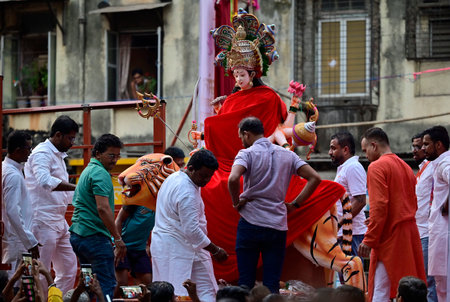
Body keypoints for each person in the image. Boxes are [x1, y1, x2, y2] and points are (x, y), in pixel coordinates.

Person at [228, 117, 321, 292]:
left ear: (246, 134)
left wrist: (236, 202)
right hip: (276, 225)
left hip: (250, 221)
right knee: (272, 284)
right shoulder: (288, 154)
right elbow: (315, 178)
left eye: (241, 137)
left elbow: (233, 178)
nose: (242, 141)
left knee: (245, 283)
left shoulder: (246, 154)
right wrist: (295, 205)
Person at [151, 149, 229, 302]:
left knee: (176, 291)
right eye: (203, 175)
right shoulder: (187, 191)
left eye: (210, 176)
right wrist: (216, 250)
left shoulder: (175, 177)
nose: (207, 180)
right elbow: (192, 230)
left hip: (172, 246)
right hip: (181, 248)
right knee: (178, 292)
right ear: (191, 168)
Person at [358, 127, 426, 302]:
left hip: (389, 237)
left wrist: (370, 238)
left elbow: (379, 206)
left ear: (374, 145)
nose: (366, 155)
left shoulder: (376, 166)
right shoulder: (405, 166)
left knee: (380, 291)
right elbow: (407, 203)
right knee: (406, 290)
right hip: (408, 235)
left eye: (365, 150)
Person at [24, 115, 78, 293]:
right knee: (41, 271)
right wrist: (77, 188)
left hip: (59, 221)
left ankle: (56, 299)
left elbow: (63, 192)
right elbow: (45, 181)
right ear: (58, 135)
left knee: (69, 269)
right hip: (42, 220)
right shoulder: (42, 153)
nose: (72, 142)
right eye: (70, 138)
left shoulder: (58, 155)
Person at [69, 134, 126, 299]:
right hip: (94, 238)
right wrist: (117, 238)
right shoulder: (101, 174)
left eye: (117, 156)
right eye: (111, 155)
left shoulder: (89, 170)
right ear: (98, 154)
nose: (115, 160)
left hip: (79, 237)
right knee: (106, 284)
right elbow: (103, 208)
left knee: (88, 285)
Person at [1, 131, 39, 279]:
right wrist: (30, 241)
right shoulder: (13, 175)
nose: (30, 152)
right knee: (13, 282)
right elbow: (12, 211)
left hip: (14, 237)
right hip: (16, 240)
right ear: (18, 150)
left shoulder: (7, 169)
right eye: (29, 148)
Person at [421, 125, 450, 302]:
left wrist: (447, 202)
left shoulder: (445, 163)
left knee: (443, 286)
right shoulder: (439, 163)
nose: (423, 148)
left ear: (438, 145)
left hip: (444, 233)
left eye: (426, 144)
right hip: (439, 231)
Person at [328, 132, 367, 255]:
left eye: (333, 148)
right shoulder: (345, 167)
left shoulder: (353, 167)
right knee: (345, 273)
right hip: (343, 233)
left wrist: (339, 224)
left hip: (351, 234)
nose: (329, 152)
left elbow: (360, 201)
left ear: (345, 150)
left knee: (351, 272)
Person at [411, 132, 437, 302]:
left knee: (429, 281)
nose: (415, 150)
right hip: (418, 232)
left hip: (429, 232)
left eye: (420, 146)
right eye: (413, 146)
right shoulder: (421, 171)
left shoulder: (435, 167)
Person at [114, 203, 155, 290]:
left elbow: (146, 226)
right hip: (123, 247)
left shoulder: (158, 203)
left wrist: (147, 245)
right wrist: (118, 243)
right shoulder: (135, 200)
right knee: (122, 283)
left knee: (147, 282)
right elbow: (118, 220)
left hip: (139, 249)